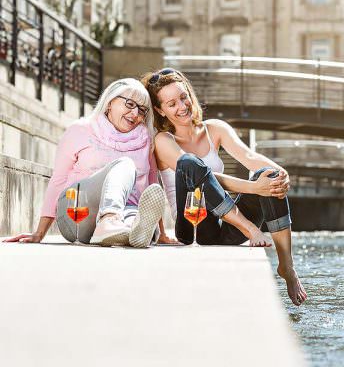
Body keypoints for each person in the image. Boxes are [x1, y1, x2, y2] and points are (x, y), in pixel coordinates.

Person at [142, 68, 307, 306]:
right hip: (194, 225)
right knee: (190, 163)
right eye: (171, 103)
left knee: (268, 174)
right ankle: (251, 229)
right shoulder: (163, 141)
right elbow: (206, 176)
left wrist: (281, 173)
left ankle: (287, 266)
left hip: (226, 224)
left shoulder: (214, 129)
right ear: (160, 110)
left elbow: (249, 157)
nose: (182, 106)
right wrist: (254, 188)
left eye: (183, 97)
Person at [3, 78, 173, 248]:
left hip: (125, 211)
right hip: (78, 214)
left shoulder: (147, 141)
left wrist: (162, 233)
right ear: (109, 103)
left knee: (135, 216)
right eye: (129, 104)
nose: (135, 114)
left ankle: (132, 231)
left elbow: (151, 189)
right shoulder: (80, 130)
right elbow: (58, 180)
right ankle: (109, 220)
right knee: (125, 165)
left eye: (142, 110)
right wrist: (39, 233)